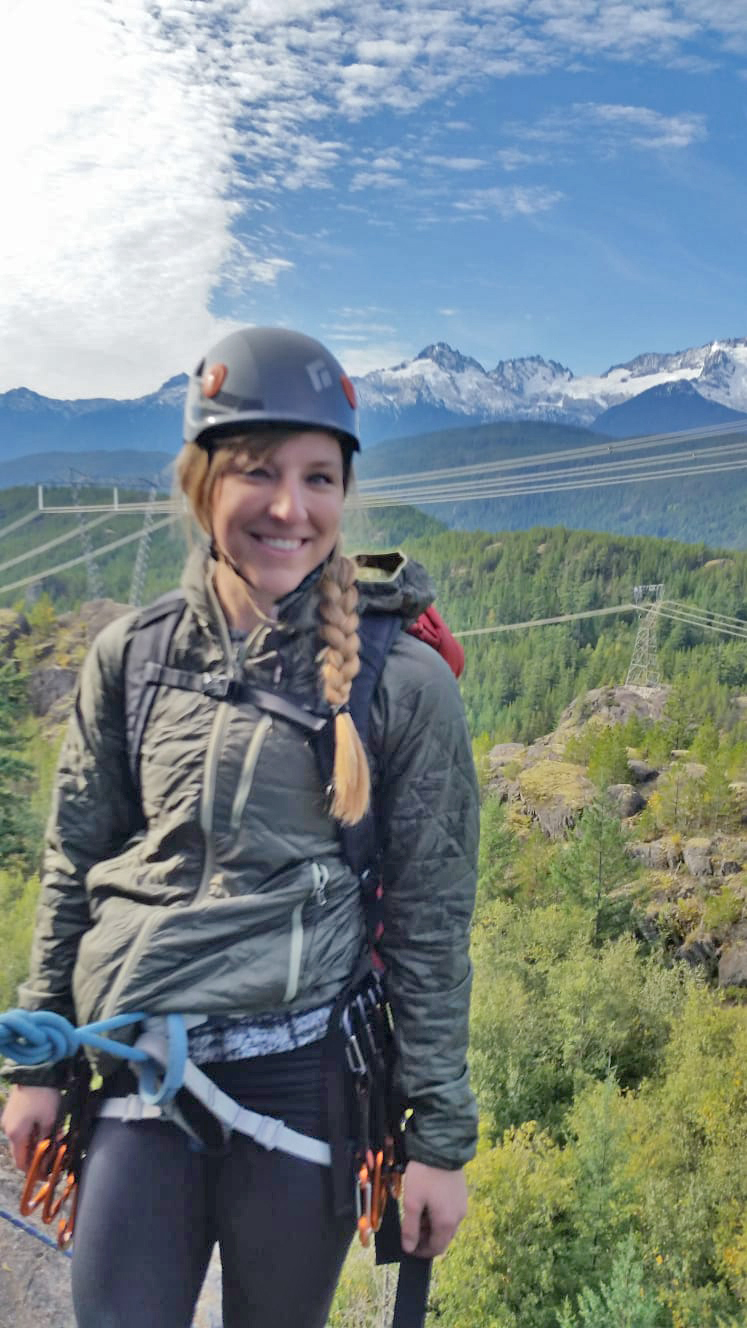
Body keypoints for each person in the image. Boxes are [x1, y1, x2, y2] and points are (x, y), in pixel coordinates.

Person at [1, 326, 479, 1328]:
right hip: (142, 1068)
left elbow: (433, 921)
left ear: (345, 493)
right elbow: (74, 862)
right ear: (200, 482)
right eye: (256, 471)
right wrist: (37, 1065)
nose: (289, 507)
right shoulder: (132, 661)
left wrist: (439, 1141)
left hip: (308, 1085)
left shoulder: (402, 685)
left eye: (318, 476)